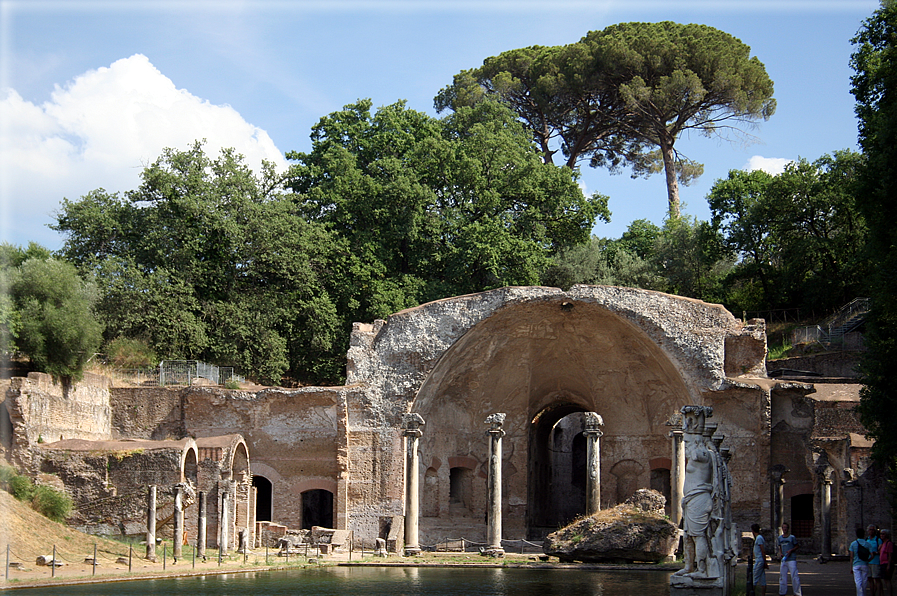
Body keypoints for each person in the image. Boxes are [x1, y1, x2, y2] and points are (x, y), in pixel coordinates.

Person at [674, 431, 714, 578]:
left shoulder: (702, 454)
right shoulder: (697, 452)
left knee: (698, 536)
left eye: (687, 442)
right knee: (688, 536)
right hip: (692, 500)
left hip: (699, 500)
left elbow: (698, 454)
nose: (685, 446)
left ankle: (702, 570)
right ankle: (689, 566)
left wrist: (695, 434)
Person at [777, 522, 802, 596]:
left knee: (794, 576)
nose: (784, 529)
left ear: (788, 529)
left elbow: (797, 546)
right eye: (783, 527)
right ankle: (782, 592)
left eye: (786, 528)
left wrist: (791, 550)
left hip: (791, 559)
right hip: (784, 559)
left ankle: (797, 593)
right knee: (782, 576)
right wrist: (780, 553)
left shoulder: (792, 537)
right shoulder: (780, 538)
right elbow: (780, 547)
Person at [852, 527, 871, 596]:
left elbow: (851, 556)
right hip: (865, 564)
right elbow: (872, 554)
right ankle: (863, 594)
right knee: (864, 580)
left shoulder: (853, 544)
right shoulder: (867, 544)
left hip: (856, 564)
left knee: (858, 581)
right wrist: (868, 560)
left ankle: (860, 594)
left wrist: (851, 565)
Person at [752, 523, 769, 596]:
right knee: (762, 580)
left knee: (754, 578)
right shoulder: (759, 538)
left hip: (759, 560)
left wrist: (764, 561)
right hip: (759, 559)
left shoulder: (759, 538)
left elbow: (763, 550)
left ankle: (752, 593)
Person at [869, 525, 884, 596]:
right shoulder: (867, 540)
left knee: (877, 579)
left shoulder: (878, 540)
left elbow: (881, 550)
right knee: (870, 579)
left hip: (876, 561)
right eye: (870, 530)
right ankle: (872, 594)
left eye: (873, 530)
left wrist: (876, 552)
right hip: (868, 562)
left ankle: (879, 594)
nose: (871, 531)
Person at [880, 529, 893, 596]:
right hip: (882, 563)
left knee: (887, 580)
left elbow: (890, 554)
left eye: (883, 534)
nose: (881, 535)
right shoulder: (883, 543)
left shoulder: (889, 543)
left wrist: (888, 565)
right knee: (885, 580)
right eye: (881, 534)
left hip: (886, 563)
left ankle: (890, 594)